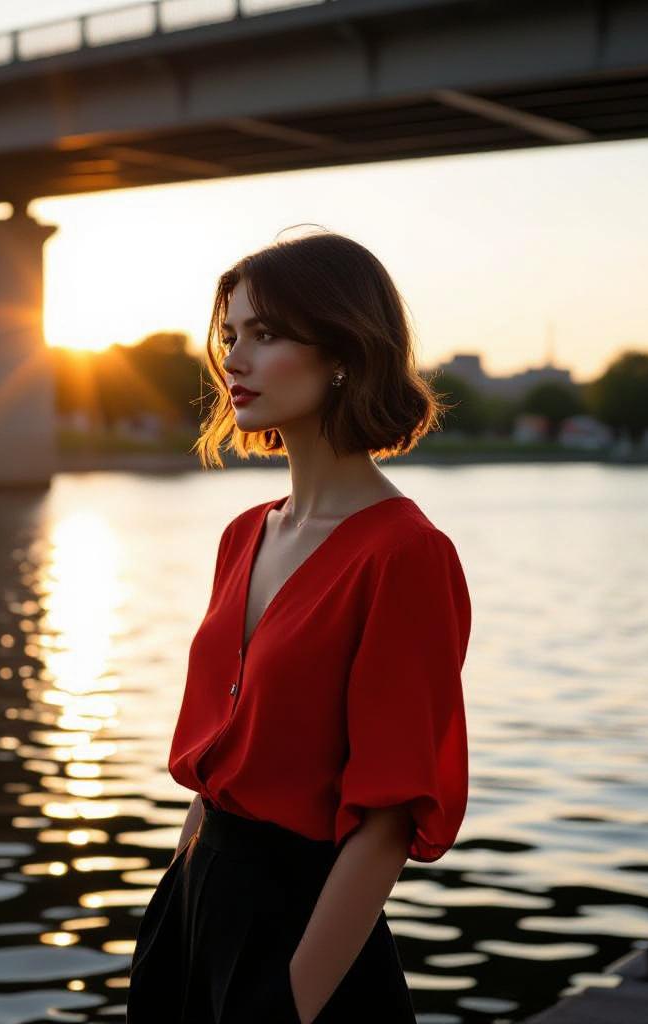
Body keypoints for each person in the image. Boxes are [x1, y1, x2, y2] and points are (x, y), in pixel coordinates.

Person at [125, 229, 472, 1024]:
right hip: (193, 908)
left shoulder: (405, 555)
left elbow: (385, 824)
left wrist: (285, 1010)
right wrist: (172, 920)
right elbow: (221, 768)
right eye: (230, 335)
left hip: (306, 944)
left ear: (344, 350)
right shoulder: (244, 534)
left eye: (267, 334)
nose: (232, 361)